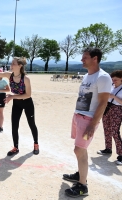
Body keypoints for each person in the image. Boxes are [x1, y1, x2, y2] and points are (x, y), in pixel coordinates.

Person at [62, 47, 112, 197]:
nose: (82, 60)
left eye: (85, 57)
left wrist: (92, 124)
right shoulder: (87, 76)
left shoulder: (103, 77)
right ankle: (79, 175)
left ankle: (83, 186)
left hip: (88, 120)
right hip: (78, 117)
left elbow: (103, 103)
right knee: (79, 149)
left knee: (79, 150)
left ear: (95, 59)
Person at [0, 54, 39, 156]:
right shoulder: (9, 75)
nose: (11, 64)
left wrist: (12, 97)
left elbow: (28, 95)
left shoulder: (26, 79)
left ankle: (36, 144)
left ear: (20, 66)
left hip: (27, 103)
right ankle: (16, 147)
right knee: (14, 126)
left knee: (31, 124)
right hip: (17, 103)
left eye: (13, 63)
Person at [97, 70, 122, 165]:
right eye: (113, 77)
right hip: (107, 108)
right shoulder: (111, 86)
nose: (114, 79)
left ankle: (121, 155)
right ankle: (108, 148)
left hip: (117, 109)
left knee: (115, 131)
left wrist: (113, 97)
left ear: (121, 78)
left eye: (117, 77)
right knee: (106, 129)